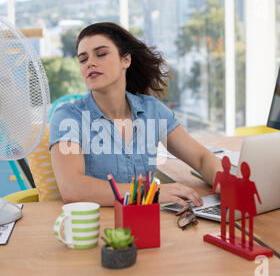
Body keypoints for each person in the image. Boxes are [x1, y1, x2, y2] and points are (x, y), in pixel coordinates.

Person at [49, 22, 221, 206]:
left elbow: (201, 159)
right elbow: (72, 188)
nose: (90, 63)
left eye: (101, 54)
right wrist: (148, 193)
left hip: (145, 222)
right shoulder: (68, 116)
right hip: (97, 226)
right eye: (83, 59)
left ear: (126, 60)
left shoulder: (152, 110)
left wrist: (229, 185)